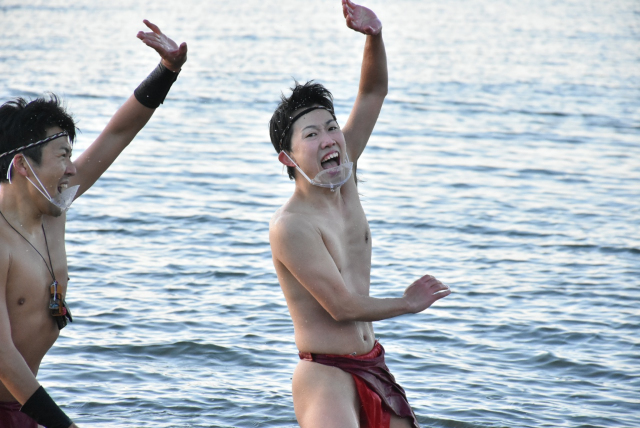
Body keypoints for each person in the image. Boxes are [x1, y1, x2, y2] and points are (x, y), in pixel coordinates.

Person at [268, 1, 451, 427]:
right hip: (325, 374)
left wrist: (375, 37)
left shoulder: (345, 176)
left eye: (331, 127)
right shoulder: (291, 225)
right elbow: (340, 306)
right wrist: (407, 303)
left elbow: (372, 93)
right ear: (288, 158)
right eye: (311, 134)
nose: (329, 139)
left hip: (373, 364)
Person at [0, 20, 187, 428]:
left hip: (24, 407)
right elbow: (3, 358)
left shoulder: (53, 206)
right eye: (63, 156)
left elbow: (117, 134)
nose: (72, 170)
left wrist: (167, 70)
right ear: (22, 166)